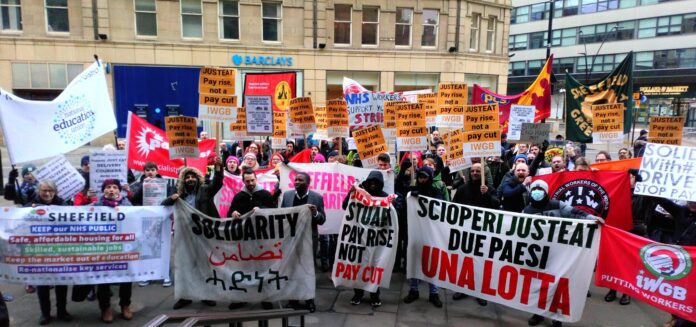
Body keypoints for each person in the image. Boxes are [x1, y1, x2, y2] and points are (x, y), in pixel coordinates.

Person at [525, 180, 602, 327]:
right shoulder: (527, 211)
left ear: (546, 191)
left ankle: (557, 316)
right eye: (534, 188)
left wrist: (592, 219)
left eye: (540, 188)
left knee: (558, 284)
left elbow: (575, 212)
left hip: (559, 252)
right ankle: (539, 313)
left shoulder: (556, 205)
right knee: (540, 285)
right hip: (540, 254)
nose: (537, 191)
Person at [162, 156, 224, 310]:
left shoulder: (205, 191)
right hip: (184, 235)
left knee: (204, 265)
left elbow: (218, 183)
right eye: (187, 177)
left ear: (198, 179)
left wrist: (218, 167)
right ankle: (185, 296)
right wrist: (171, 198)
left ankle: (206, 295)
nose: (190, 179)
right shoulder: (180, 195)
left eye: (193, 177)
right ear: (184, 180)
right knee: (185, 266)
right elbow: (163, 205)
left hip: (203, 235)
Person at [228, 169, 276, 310]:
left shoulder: (266, 195)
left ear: (256, 179)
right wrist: (233, 213)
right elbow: (229, 212)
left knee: (263, 268)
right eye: (247, 181)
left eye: (252, 180)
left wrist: (262, 209)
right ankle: (242, 298)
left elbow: (274, 211)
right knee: (243, 268)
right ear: (243, 181)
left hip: (262, 239)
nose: (250, 183)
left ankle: (265, 298)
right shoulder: (238, 197)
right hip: (244, 239)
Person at [25, 180, 72, 325]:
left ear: (55, 192)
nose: (47, 193)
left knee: (61, 283)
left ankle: (62, 311)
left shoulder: (63, 204)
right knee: (42, 284)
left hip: (59, 250)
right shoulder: (30, 205)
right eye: (44, 190)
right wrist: (28, 210)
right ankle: (45, 313)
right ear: (39, 191)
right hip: (40, 251)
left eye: (50, 190)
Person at [451, 163, 498, 305]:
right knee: (464, 261)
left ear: (483, 173)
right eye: (473, 170)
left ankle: (480, 291)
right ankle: (463, 288)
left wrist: (488, 194)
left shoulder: (489, 189)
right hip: (465, 231)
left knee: (481, 263)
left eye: (478, 170)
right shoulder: (462, 189)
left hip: (482, 232)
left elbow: (496, 205)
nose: (475, 172)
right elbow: (454, 207)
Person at [342, 171, 389, 308]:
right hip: (359, 238)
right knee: (359, 266)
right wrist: (350, 194)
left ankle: (374, 295)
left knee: (374, 267)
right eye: (371, 182)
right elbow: (346, 206)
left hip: (376, 240)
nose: (373, 185)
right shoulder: (359, 194)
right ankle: (358, 294)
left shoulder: (384, 197)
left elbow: (394, 213)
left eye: (376, 182)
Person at [280, 172, 325, 313]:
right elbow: (281, 216)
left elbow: (322, 219)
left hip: (309, 240)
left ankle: (309, 300)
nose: (296, 182)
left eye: (300, 180)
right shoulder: (287, 196)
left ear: (307, 183)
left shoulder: (316, 197)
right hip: (291, 240)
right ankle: (293, 299)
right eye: (296, 179)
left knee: (307, 270)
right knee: (292, 269)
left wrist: (315, 213)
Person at [91, 179, 134, 322]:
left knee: (126, 277)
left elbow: (135, 219)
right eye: (108, 187)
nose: (111, 190)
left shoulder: (127, 204)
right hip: (103, 247)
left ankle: (125, 305)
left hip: (123, 247)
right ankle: (105, 308)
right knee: (103, 278)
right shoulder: (96, 205)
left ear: (119, 190)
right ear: (103, 190)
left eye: (115, 187)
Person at [403, 166, 443, 308]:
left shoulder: (436, 191)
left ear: (430, 178)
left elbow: (440, 205)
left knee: (432, 262)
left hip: (431, 233)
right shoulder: (411, 191)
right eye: (420, 177)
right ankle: (414, 290)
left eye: (425, 177)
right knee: (414, 261)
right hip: (414, 233)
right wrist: (411, 196)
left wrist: (424, 197)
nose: (422, 180)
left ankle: (434, 292)